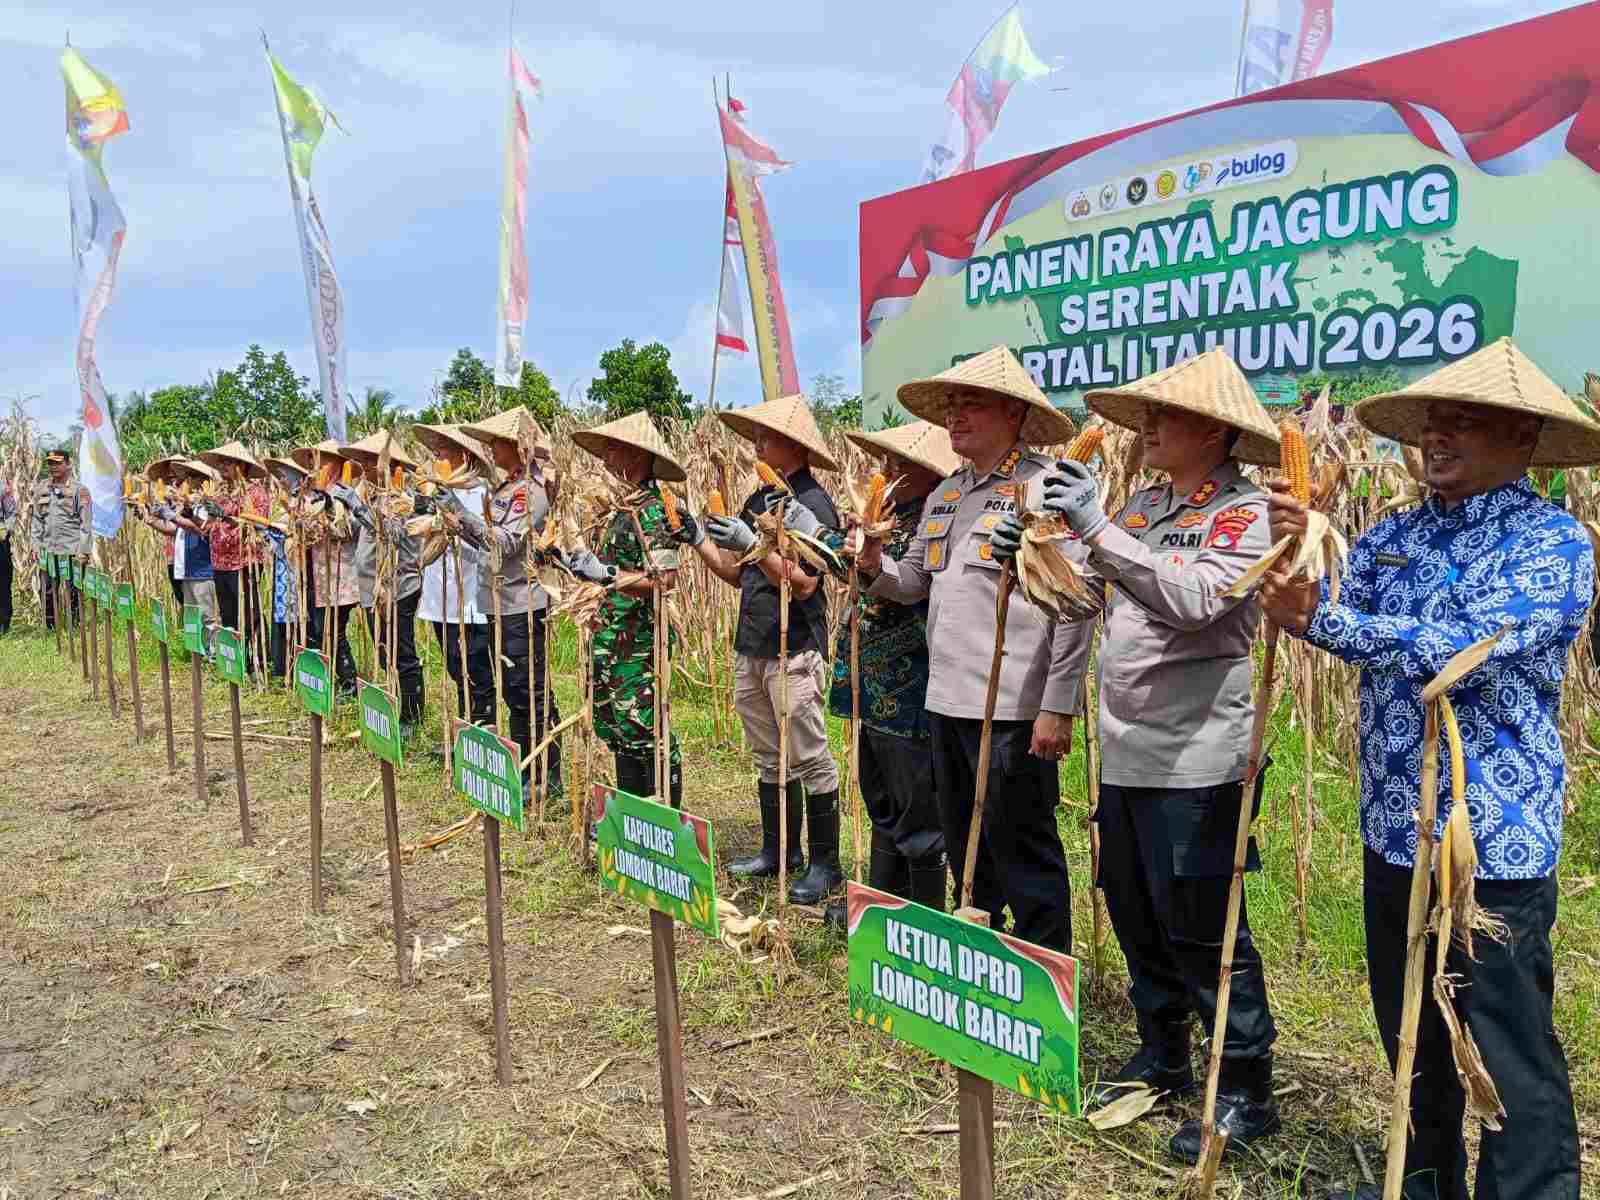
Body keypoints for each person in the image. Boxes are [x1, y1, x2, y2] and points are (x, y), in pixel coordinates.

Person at [1260, 338, 1591, 1200]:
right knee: (1410, 1025)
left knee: (1505, 1040)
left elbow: (1466, 651)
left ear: (1521, 439)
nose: (1436, 439)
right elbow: (1336, 603)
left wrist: (1324, 626)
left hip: (1490, 840)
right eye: (1432, 423)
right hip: (1394, 822)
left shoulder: (1553, 544)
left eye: (1463, 424)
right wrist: (1296, 567)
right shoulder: (1398, 533)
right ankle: (1423, 1180)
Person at [998, 348, 1284, 1158]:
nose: (1148, 428)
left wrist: (1092, 528)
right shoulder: (1143, 506)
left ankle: (1243, 1087)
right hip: (1124, 752)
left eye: (1167, 415)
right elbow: (1090, 592)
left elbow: (1196, 602)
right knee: (1132, 904)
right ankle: (1165, 1050)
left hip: (1198, 756)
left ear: (1218, 433)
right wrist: (1031, 559)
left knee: (1203, 926)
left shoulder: (1242, 515)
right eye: (1148, 415)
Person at [856, 346, 1089, 952]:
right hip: (946, 700)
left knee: (1025, 855)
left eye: (970, 405)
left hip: (1010, 706)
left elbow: (1075, 604)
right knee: (966, 849)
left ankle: (1044, 985)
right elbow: (914, 584)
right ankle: (985, 973)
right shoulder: (947, 496)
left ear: (1012, 413)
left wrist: (1057, 703)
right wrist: (872, 563)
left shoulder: (1045, 490)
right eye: (951, 407)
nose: (954, 418)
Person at [683, 393, 843, 903]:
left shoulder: (814, 506)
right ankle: (780, 852)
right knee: (768, 757)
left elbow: (804, 584)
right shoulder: (758, 501)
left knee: (808, 755)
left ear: (792, 446)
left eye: (765, 436)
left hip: (793, 646)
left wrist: (756, 542)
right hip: (752, 642)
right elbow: (737, 574)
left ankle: (825, 864)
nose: (756, 444)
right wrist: (700, 540)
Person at [818, 421, 962, 926]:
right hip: (871, 685)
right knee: (881, 799)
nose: (890, 473)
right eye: (888, 464)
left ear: (932, 474)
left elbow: (911, 585)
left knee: (917, 812)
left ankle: (923, 923)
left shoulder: (935, 522)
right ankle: (880, 908)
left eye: (903, 466)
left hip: (912, 689)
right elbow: (844, 566)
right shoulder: (887, 518)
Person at [437, 407, 561, 802]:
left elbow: (505, 543)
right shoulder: (506, 489)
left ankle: (546, 773)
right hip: (498, 603)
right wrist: (456, 523)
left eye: (496, 442)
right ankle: (527, 766)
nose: (490, 449)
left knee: (529, 689)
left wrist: (458, 509)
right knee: (514, 690)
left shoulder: (530, 492)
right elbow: (488, 544)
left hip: (521, 604)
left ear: (515, 446)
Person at [570, 411, 687, 807]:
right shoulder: (619, 508)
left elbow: (663, 580)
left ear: (635, 455)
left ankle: (665, 820)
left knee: (645, 728)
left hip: (638, 644)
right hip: (609, 638)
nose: (604, 459)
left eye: (612, 449)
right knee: (615, 727)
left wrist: (607, 575)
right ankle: (632, 820)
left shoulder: (656, 510)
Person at [335, 431, 425, 735]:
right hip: (371, 588)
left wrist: (357, 506)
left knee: (402, 653)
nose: (362, 467)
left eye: (369, 462)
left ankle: (412, 717)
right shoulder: (371, 496)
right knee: (384, 651)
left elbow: (394, 533)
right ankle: (396, 705)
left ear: (387, 464)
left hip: (399, 586)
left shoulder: (405, 498)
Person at [413, 424, 494, 731]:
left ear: (463, 455)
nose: (435, 455)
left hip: (471, 600)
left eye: (442, 450)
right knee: (455, 668)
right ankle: (466, 733)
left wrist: (453, 513)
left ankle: (483, 734)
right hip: (440, 598)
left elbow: (487, 542)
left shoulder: (481, 494)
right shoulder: (434, 494)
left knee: (476, 671)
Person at [292, 440, 360, 698]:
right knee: (322, 630)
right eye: (312, 461)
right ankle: (335, 679)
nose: (314, 466)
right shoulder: (308, 496)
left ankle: (350, 683)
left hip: (340, 575)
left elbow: (350, 531)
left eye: (320, 461)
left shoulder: (348, 493)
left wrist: (331, 508)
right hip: (316, 575)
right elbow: (304, 533)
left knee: (334, 630)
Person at [198, 441, 271, 674]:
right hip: (220, 562)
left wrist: (227, 517)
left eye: (228, 462)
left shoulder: (256, 492)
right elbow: (207, 527)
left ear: (242, 466)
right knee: (229, 615)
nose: (223, 467)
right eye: (221, 463)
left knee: (249, 614)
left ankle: (257, 661)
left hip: (245, 561)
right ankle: (234, 660)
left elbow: (256, 526)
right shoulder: (221, 493)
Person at [31, 446, 92, 630]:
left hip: (71, 550)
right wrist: (35, 546)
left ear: (68, 464)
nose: (53, 467)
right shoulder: (42, 488)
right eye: (50, 463)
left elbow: (86, 524)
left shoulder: (79, 490)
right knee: (47, 591)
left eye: (57, 463)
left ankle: (74, 626)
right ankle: (50, 627)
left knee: (74, 591)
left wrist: (83, 551)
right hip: (48, 550)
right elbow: (37, 519)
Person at [0, 478, 15, 635]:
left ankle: (3, 622)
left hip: (0, 542)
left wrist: (6, 531)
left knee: (3, 582)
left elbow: (11, 513)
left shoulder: (3, 489)